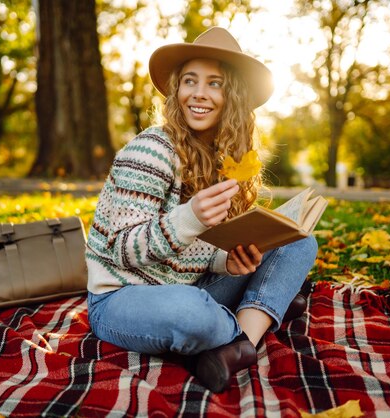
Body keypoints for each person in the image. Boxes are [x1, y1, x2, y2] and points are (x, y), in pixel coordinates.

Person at [85, 27, 318, 393]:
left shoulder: (224, 160)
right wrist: (189, 217)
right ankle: (260, 313)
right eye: (190, 81)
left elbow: (200, 251)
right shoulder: (150, 150)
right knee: (189, 311)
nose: (199, 93)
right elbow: (121, 250)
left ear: (233, 96)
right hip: (123, 297)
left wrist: (226, 262)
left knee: (300, 243)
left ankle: (239, 345)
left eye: (215, 83)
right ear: (177, 90)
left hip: (191, 283)